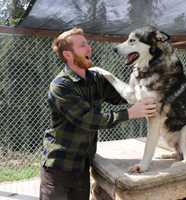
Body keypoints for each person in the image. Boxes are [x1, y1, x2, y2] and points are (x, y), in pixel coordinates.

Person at [39, 27, 157, 200]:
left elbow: (123, 97)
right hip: (59, 167)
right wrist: (130, 113)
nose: (89, 48)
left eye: (87, 43)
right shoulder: (61, 86)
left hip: (82, 166)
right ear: (68, 55)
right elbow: (89, 120)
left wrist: (147, 91)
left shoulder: (95, 79)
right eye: (82, 45)